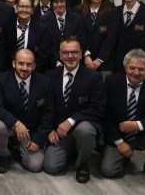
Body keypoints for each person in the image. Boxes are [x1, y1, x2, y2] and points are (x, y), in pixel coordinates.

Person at [100, 49, 145, 186]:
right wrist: (119, 142)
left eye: (141, 69)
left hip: (142, 134)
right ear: (125, 68)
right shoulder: (112, 82)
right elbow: (105, 116)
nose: (136, 72)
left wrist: (138, 125)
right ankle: (123, 155)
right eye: (132, 68)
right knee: (108, 171)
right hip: (118, 134)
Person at [43, 38, 106, 183]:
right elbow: (47, 107)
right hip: (60, 131)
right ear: (60, 55)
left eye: (74, 52)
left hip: (82, 126)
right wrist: (49, 129)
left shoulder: (94, 77)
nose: (70, 56)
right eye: (66, 53)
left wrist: (71, 121)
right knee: (51, 167)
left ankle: (83, 163)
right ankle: (73, 150)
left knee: (85, 130)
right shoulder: (50, 75)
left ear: (81, 54)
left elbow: (98, 108)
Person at [0, 49, 54, 173]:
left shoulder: (44, 82)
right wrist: (16, 123)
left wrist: (38, 139)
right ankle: (2, 155)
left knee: (35, 165)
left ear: (34, 66)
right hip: (9, 127)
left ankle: (18, 148)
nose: (24, 68)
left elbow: (48, 113)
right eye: (21, 63)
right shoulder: (1, 79)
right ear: (14, 63)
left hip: (30, 132)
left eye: (29, 64)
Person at [77, 0, 117, 75]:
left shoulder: (112, 11)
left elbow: (111, 39)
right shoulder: (78, 10)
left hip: (105, 63)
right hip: (83, 61)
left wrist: (99, 59)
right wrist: (86, 55)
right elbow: (79, 36)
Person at [40, 0, 86, 67]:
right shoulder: (43, 20)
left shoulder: (77, 19)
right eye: (56, 2)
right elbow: (45, 45)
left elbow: (81, 41)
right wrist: (57, 62)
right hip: (52, 64)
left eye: (62, 1)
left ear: (66, 2)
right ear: (51, 3)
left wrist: (71, 59)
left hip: (73, 62)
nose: (59, 4)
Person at [14, 0, 52, 73]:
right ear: (16, 8)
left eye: (28, 7)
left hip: (34, 72)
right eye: (21, 6)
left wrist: (29, 70)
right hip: (10, 71)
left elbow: (43, 55)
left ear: (32, 10)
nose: (24, 10)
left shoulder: (42, 29)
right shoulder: (8, 26)